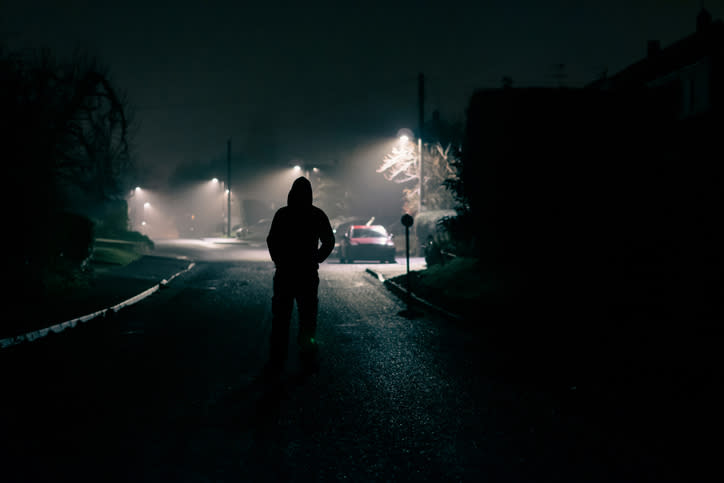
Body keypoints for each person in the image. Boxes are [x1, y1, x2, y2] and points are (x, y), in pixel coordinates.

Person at [265, 176, 335, 372]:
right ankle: (307, 350)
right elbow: (329, 240)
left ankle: (277, 357)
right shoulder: (317, 215)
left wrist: (279, 260)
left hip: (285, 273)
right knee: (308, 315)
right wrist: (317, 258)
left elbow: (272, 240)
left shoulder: (282, 214)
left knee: (281, 317)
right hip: (307, 274)